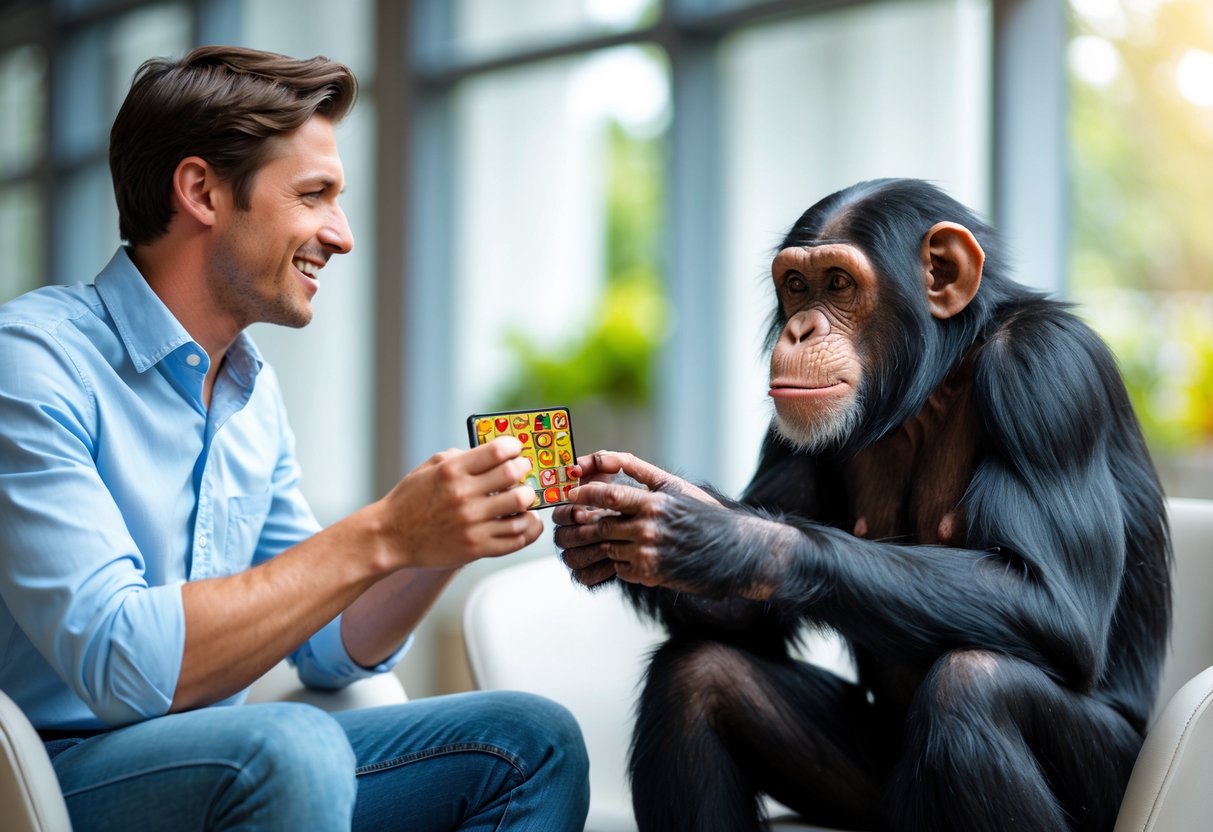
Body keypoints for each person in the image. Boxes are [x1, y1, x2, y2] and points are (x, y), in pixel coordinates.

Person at [0, 45, 589, 831]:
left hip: (233, 756)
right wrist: (382, 531)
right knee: (290, 746)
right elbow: (122, 663)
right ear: (201, 191)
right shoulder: (31, 362)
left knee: (531, 740)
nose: (341, 236)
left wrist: (437, 541)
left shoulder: (251, 389)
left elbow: (327, 647)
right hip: (51, 775)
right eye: (314, 195)